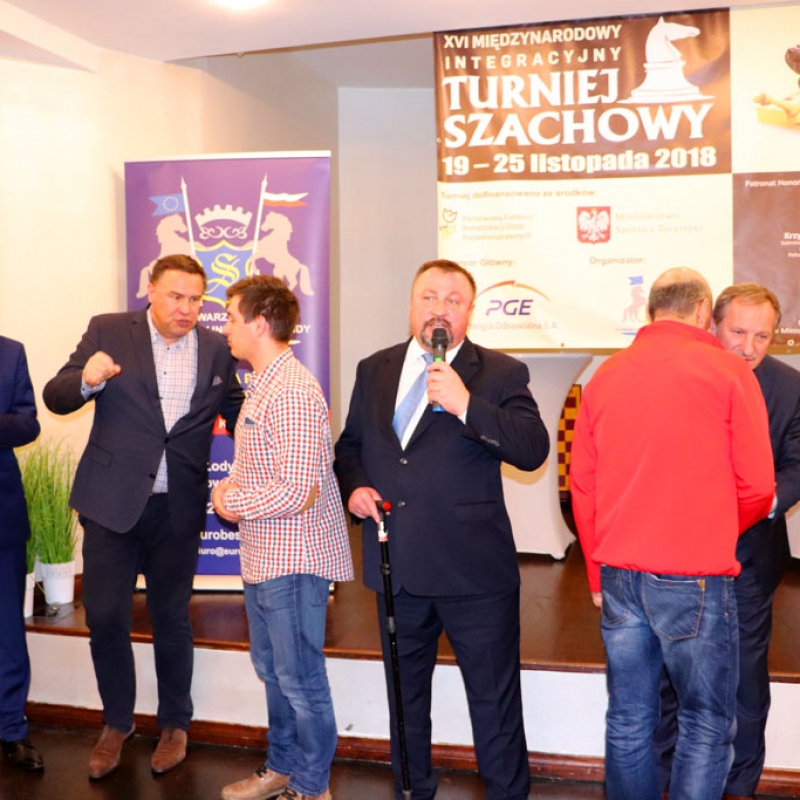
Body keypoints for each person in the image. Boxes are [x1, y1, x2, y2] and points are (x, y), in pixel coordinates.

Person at [334, 259, 550, 800]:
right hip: (397, 568)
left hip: (474, 573)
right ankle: (413, 790)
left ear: (469, 313)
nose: (439, 309)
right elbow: (351, 446)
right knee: (405, 700)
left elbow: (532, 450)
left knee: (494, 703)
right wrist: (356, 487)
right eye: (428, 297)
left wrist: (466, 405)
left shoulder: (500, 373)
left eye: (453, 301)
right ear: (411, 306)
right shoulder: (374, 368)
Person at [570, 267, 776, 800]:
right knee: (705, 722)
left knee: (628, 718)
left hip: (619, 575)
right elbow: (758, 486)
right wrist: (714, 527)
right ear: (704, 311)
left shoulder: (605, 376)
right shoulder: (729, 372)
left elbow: (582, 487)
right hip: (695, 576)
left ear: (651, 309)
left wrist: (594, 573)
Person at [42, 254, 243, 780]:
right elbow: (56, 396)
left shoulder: (217, 347)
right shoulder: (109, 330)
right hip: (111, 504)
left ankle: (175, 724)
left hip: (177, 508)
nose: (186, 308)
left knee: (171, 617)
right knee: (105, 616)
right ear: (150, 290)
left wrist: (288, 419)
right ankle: (116, 722)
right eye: (176, 296)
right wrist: (86, 380)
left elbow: (241, 410)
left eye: (196, 299)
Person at [654, 283, 800, 800]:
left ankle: (739, 785)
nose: (749, 347)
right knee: (670, 676)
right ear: (711, 324)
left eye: (762, 336)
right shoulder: (677, 375)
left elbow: (796, 465)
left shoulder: (790, 387)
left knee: (745, 679)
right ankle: (668, 780)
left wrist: (756, 505)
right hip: (676, 555)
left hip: (750, 556)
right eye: (738, 332)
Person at [212, 275, 353, 800]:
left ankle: (313, 786)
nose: (225, 328)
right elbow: (260, 472)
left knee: (299, 679)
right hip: (265, 557)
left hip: (293, 560)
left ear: (260, 324)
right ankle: (283, 768)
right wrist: (227, 488)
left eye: (231, 318)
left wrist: (232, 502)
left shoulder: (291, 390)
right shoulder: (263, 384)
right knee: (273, 672)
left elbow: (298, 491)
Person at [0, 336, 43, 772]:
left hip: (2, 515)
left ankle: (12, 729)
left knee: (8, 632)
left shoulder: (10, 352)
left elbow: (29, 423)